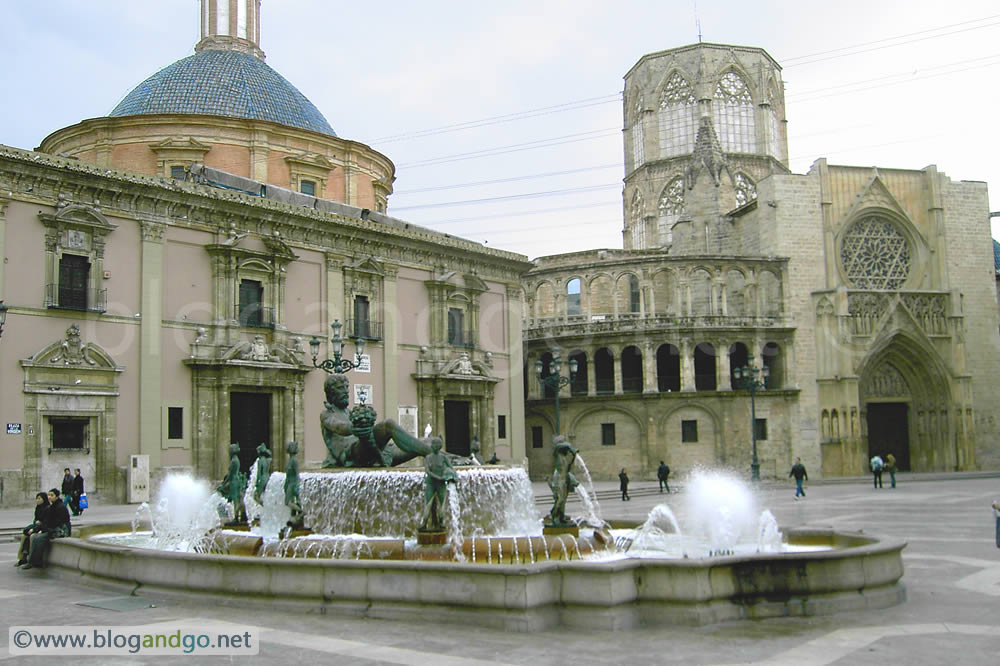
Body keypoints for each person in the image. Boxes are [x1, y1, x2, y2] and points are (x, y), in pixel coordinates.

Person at [22, 488, 71, 570]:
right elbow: (46, 522)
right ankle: (33, 560)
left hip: (60, 531)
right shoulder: (52, 507)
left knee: (39, 538)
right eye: (49, 495)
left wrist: (44, 529)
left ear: (57, 496)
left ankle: (34, 562)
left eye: (52, 495)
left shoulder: (60, 507)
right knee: (36, 537)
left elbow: (58, 522)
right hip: (52, 529)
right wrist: (38, 529)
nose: (49, 497)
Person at [420, 437, 458, 532]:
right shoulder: (428, 458)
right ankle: (424, 523)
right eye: (432, 444)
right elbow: (428, 471)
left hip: (441, 484)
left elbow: (451, 468)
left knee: (442, 505)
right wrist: (438, 477)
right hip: (431, 484)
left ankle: (441, 523)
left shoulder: (443, 457)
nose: (432, 446)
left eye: (435, 444)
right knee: (428, 504)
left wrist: (452, 475)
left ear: (439, 446)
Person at [15, 492, 49, 567]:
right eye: (37, 498)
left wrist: (35, 529)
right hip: (37, 527)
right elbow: (36, 519)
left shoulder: (47, 508)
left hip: (42, 528)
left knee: (32, 536)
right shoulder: (38, 508)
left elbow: (46, 522)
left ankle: (29, 559)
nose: (37, 500)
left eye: (39, 498)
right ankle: (22, 556)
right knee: (25, 535)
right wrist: (36, 522)